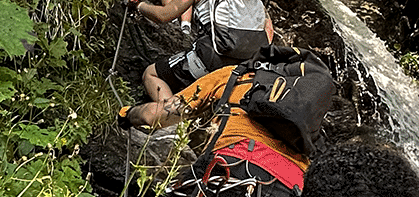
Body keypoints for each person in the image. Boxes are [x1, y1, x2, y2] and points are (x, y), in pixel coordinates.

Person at [118, 59, 307, 196]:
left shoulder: (236, 74)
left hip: (234, 167)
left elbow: (158, 115)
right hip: (294, 185)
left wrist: (129, 114)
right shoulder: (308, 106)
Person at [127, 0, 273, 104]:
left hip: (209, 59)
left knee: (151, 74)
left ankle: (172, 118)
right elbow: (269, 32)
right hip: (247, 67)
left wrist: (138, 5)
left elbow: (164, 15)